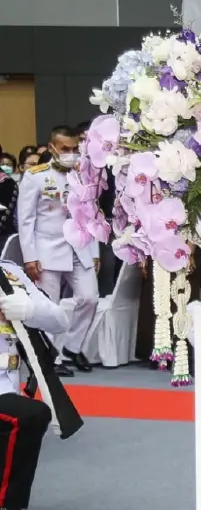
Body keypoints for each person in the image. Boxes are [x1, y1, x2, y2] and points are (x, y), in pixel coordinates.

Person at [17, 126, 100, 376]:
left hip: (79, 247)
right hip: (47, 249)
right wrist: (29, 257)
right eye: (66, 149)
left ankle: (73, 347)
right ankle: (51, 358)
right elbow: (25, 220)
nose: (71, 153)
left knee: (90, 298)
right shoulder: (36, 175)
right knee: (50, 307)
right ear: (52, 148)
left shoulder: (83, 175)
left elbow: (90, 214)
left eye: (75, 148)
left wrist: (94, 249)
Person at [0, 260, 72, 510]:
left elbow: (60, 320)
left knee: (22, 413)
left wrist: (29, 311)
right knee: (29, 415)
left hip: (8, 385)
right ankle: (6, 506)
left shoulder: (11, 272)